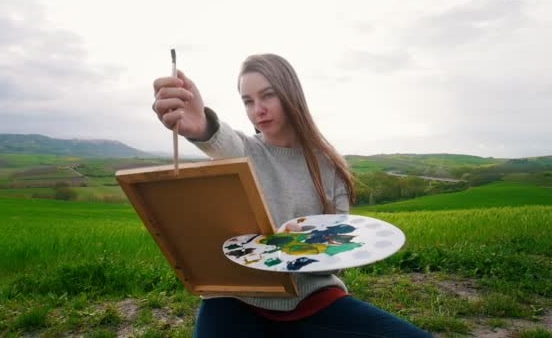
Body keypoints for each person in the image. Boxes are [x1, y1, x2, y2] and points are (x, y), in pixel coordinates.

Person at [152, 54, 431, 337]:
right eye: (248, 101)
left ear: (290, 94)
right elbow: (220, 139)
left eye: (267, 96)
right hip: (234, 298)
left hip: (311, 297)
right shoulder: (244, 151)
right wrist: (201, 124)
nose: (258, 109)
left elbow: (342, 249)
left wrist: (308, 239)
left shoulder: (329, 166)